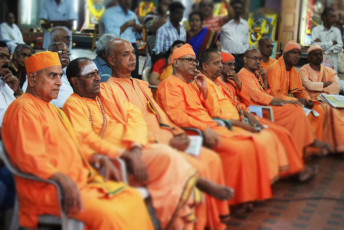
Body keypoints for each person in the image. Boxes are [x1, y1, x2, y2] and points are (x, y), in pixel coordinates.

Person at [1, 51, 154, 229]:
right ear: (33, 79)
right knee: (112, 214)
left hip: (79, 182)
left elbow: (76, 146)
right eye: (52, 76)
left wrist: (98, 158)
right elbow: (29, 157)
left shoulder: (54, 110)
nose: (59, 82)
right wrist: (61, 179)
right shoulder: (23, 109)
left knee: (133, 200)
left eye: (59, 76)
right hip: (50, 188)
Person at [106, 38, 234, 229]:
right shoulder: (108, 89)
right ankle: (190, 223)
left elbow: (160, 114)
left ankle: (209, 220)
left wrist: (176, 133)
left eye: (133, 53)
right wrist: (163, 142)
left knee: (210, 158)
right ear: (111, 60)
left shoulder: (141, 85)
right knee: (199, 164)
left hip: (167, 137)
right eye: (126, 55)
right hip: (150, 145)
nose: (132, 58)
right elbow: (128, 126)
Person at [62, 57, 201, 229]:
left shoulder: (108, 91)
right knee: (170, 163)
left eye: (97, 73)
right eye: (91, 75)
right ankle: (173, 220)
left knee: (169, 158)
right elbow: (85, 140)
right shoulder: (73, 105)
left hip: (134, 150)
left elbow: (134, 116)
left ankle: (175, 221)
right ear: (75, 81)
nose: (98, 78)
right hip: (112, 161)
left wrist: (134, 147)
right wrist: (123, 155)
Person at [156, 43, 277, 209]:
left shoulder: (190, 84)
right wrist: (205, 128)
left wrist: (203, 91)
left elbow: (204, 110)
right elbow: (177, 117)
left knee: (249, 144)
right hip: (195, 132)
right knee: (240, 149)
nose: (193, 64)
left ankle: (245, 194)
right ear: (175, 63)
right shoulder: (169, 84)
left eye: (194, 61)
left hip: (211, 126)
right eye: (188, 60)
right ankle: (235, 199)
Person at [238, 48, 329, 153]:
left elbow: (265, 92)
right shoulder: (244, 74)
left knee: (300, 109)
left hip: (267, 103)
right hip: (258, 108)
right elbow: (261, 97)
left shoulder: (255, 73)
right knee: (296, 110)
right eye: (254, 58)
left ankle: (303, 144)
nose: (258, 62)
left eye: (259, 59)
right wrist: (288, 101)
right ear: (245, 59)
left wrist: (265, 78)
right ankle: (299, 147)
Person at [266, 41, 333, 153]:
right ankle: (298, 149)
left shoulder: (293, 71)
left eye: (299, 53)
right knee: (299, 111)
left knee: (318, 108)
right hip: (275, 104)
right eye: (294, 53)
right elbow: (274, 94)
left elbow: (300, 90)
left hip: (288, 102)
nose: (297, 56)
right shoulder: (275, 68)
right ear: (285, 54)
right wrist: (296, 100)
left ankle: (311, 148)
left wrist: (308, 100)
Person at [300, 44, 344, 152]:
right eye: (315, 55)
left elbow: (337, 86)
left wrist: (319, 91)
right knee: (327, 110)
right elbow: (308, 85)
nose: (318, 57)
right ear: (309, 57)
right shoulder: (304, 70)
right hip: (312, 101)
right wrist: (325, 84)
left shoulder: (329, 71)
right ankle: (330, 145)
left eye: (320, 54)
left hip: (328, 100)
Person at [103, 0, 142, 79]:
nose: (128, 2)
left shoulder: (132, 14)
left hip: (132, 46)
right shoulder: (110, 13)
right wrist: (127, 25)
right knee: (120, 73)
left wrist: (139, 28)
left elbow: (138, 36)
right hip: (118, 48)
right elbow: (111, 35)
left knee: (133, 74)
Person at [220, 0, 248, 73]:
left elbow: (246, 42)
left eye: (239, 8)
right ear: (230, 9)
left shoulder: (245, 24)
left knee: (240, 78)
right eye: (235, 8)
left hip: (241, 58)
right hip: (227, 57)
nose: (237, 10)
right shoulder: (223, 23)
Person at [312, 7, 343, 71]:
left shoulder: (336, 31)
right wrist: (331, 43)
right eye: (332, 16)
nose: (334, 19)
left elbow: (340, 46)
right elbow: (315, 46)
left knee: (333, 80)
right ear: (324, 17)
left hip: (333, 65)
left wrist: (325, 51)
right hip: (319, 64)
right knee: (319, 79)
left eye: (335, 16)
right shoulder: (316, 30)